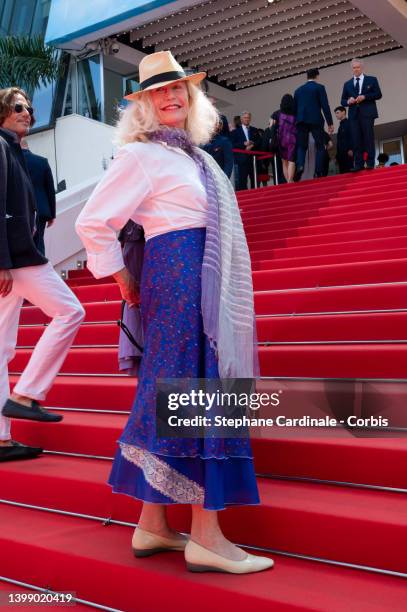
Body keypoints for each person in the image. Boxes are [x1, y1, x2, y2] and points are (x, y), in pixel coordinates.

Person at [76, 50, 273, 575]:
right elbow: (94, 222)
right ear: (141, 105)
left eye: (177, 89)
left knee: (179, 389)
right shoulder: (140, 156)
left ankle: (153, 524)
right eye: (157, 92)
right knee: (199, 389)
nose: (170, 97)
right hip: (178, 278)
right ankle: (206, 535)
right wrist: (122, 278)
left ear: (191, 97)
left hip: (200, 278)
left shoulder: (195, 157)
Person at [0, 87, 85, 462]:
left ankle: (1, 439)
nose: (28, 113)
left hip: (15, 258)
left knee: (0, 351)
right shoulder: (1, 148)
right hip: (16, 260)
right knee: (70, 311)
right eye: (19, 107)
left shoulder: (14, 151)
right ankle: (25, 393)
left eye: (30, 108)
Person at [340, 58, 382, 171]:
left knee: (368, 138)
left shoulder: (372, 79)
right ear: (351, 69)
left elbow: (378, 94)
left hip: (367, 113)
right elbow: (342, 101)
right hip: (353, 115)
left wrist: (365, 97)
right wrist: (348, 101)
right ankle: (358, 164)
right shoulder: (347, 84)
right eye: (354, 68)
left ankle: (370, 163)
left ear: (362, 67)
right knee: (356, 139)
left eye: (358, 67)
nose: (356, 69)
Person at [294, 68, 334, 179]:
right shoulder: (319, 87)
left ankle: (300, 166)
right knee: (321, 146)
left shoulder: (298, 91)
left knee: (302, 146)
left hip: (301, 121)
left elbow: (295, 109)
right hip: (315, 120)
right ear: (317, 76)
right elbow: (325, 106)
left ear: (307, 77)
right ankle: (318, 171)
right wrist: (330, 123)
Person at [20, 140, 56, 256]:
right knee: (39, 242)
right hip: (41, 209)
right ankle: (41, 268)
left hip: (20, 209)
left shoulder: (12, 161)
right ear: (27, 146)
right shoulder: (42, 161)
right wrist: (52, 215)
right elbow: (50, 189)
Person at [231, 110, 260, 190]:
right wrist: (243, 144)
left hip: (253, 160)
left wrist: (252, 145)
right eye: (245, 118)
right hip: (241, 160)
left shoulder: (254, 130)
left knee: (255, 181)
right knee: (242, 182)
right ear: (241, 119)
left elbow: (260, 141)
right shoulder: (235, 132)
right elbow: (232, 145)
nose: (247, 119)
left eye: (248, 118)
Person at [275, 94, 297, 183]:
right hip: (293, 138)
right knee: (292, 160)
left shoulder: (278, 113)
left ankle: (287, 180)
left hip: (281, 139)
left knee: (284, 161)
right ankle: (290, 180)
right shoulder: (295, 112)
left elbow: (272, 125)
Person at [334, 106, 353, 174]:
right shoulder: (340, 126)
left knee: (349, 173)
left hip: (348, 153)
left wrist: (351, 148)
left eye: (337, 112)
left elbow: (352, 136)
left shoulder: (349, 123)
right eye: (335, 113)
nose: (336, 115)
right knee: (343, 174)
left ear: (343, 112)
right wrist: (337, 155)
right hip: (341, 156)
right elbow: (339, 142)